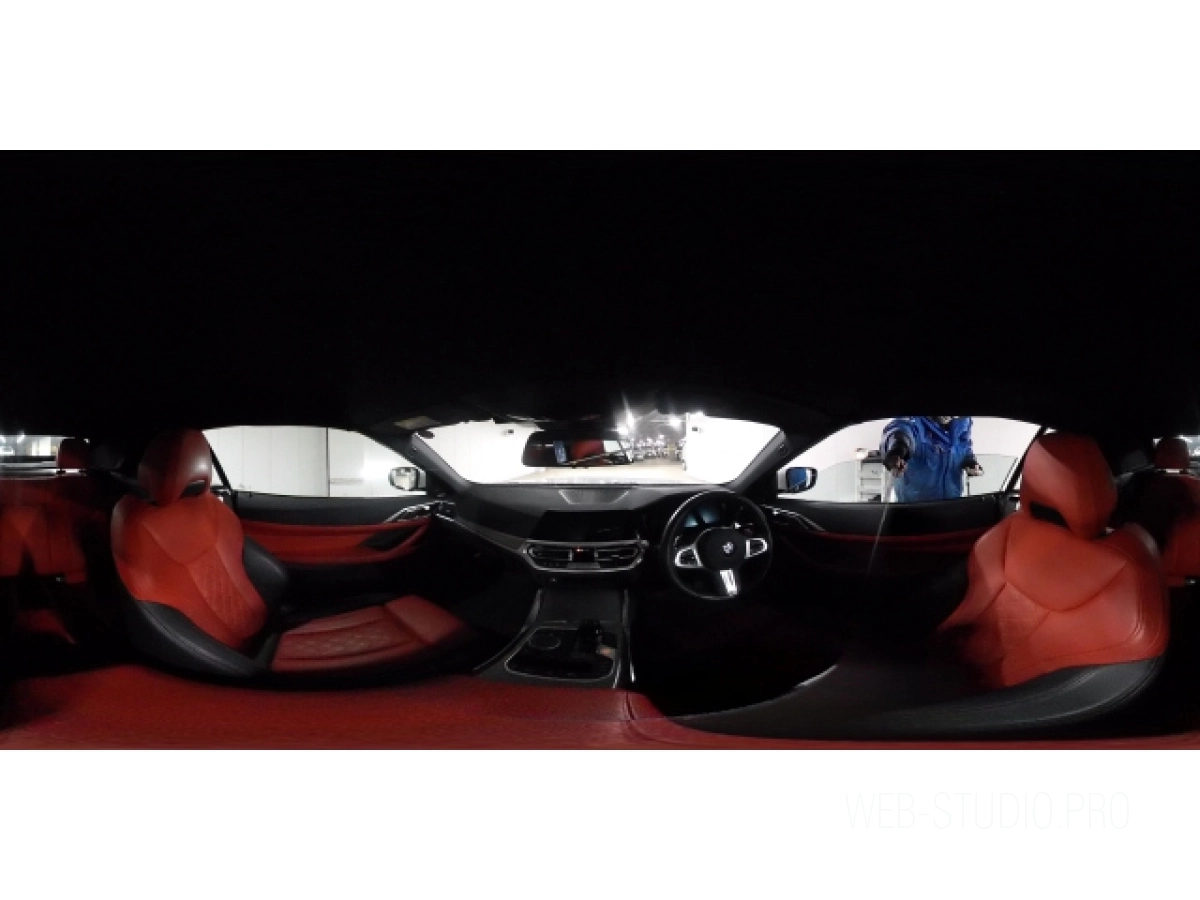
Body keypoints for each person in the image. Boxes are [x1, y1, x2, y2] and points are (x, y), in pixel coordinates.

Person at [880, 416, 983, 502]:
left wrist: (969, 461)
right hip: (915, 507)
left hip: (952, 503)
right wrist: (897, 450)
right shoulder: (913, 422)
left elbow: (964, 447)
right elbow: (900, 432)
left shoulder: (963, 421)